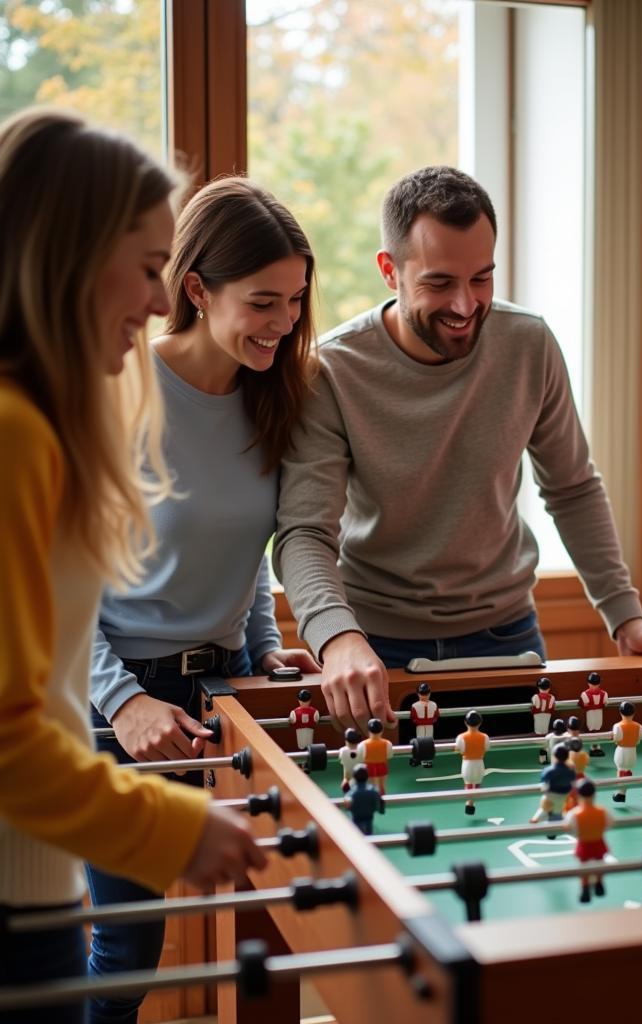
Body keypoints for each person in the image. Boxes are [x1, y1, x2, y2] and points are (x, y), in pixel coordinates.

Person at [0, 109, 265, 1022]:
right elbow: (7, 731)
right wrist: (174, 825)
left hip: (35, 872)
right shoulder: (15, 433)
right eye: (150, 270)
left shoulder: (36, 419)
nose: (159, 304)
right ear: (68, 252)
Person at [274, 165, 642, 732]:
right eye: (439, 283)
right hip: (374, 647)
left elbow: (572, 487)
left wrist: (624, 615)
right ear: (389, 271)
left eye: (482, 278)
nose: (466, 306)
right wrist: (337, 637)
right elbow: (305, 532)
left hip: (508, 635)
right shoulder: (332, 370)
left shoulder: (529, 343)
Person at [86, 176, 319, 1023]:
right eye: (263, 302)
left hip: (228, 699)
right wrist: (123, 701)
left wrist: (262, 647)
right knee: (128, 946)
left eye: (294, 301)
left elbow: (247, 549)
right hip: (120, 701)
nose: (284, 323)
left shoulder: (275, 394)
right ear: (195, 288)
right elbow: (58, 581)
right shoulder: (119, 390)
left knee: (263, 929)